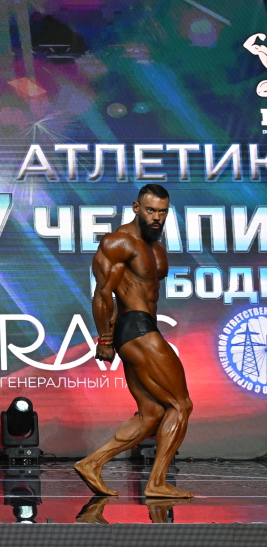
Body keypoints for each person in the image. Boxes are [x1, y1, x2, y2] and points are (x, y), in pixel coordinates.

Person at [74, 183, 193, 499]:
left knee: (151, 413)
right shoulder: (119, 242)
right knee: (181, 404)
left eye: (163, 212)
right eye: (151, 210)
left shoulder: (156, 247)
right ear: (136, 208)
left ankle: (92, 463)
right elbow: (103, 294)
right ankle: (157, 483)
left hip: (142, 326)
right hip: (135, 327)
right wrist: (105, 339)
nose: (157, 217)